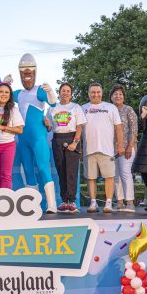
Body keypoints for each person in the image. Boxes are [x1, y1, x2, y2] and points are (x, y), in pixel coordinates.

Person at [13, 53, 58, 213]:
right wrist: (3, 84)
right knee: (28, 170)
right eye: (23, 72)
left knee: (43, 167)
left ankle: (51, 205)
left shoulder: (39, 90)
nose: (26, 75)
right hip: (23, 139)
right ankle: (33, 205)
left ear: (35, 72)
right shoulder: (18, 93)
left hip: (38, 138)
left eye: (29, 71)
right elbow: (1, 99)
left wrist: (51, 91)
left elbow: (53, 102)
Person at [81, 83, 124, 213]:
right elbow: (77, 129)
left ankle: (108, 203)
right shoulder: (82, 108)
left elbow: (118, 128)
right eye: (93, 92)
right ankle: (93, 203)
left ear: (102, 93)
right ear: (88, 93)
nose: (95, 94)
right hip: (89, 149)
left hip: (107, 149)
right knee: (90, 177)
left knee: (109, 177)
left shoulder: (111, 108)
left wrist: (120, 145)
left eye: (98, 92)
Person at [47, 83, 86, 214]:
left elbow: (80, 126)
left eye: (68, 91)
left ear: (71, 93)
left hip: (72, 138)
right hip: (57, 139)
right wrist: (46, 124)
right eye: (63, 90)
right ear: (59, 92)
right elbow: (49, 127)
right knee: (61, 171)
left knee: (71, 171)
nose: (65, 93)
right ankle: (64, 202)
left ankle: (72, 202)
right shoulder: (53, 108)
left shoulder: (76, 107)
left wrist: (75, 142)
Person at [0, 83, 24, 189]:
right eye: (1, 91)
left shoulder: (14, 110)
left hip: (8, 146)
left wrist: (2, 127)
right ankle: (1, 201)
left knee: (6, 176)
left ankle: (6, 202)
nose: (3, 94)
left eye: (6, 92)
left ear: (10, 95)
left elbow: (20, 130)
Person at [110, 84, 138, 213]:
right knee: (115, 176)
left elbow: (134, 129)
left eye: (120, 94)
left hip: (127, 147)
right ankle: (119, 202)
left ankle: (130, 202)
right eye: (115, 94)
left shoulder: (128, 110)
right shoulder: (109, 110)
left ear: (124, 97)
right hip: (111, 149)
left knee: (125, 174)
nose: (118, 96)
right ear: (111, 97)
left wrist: (129, 147)